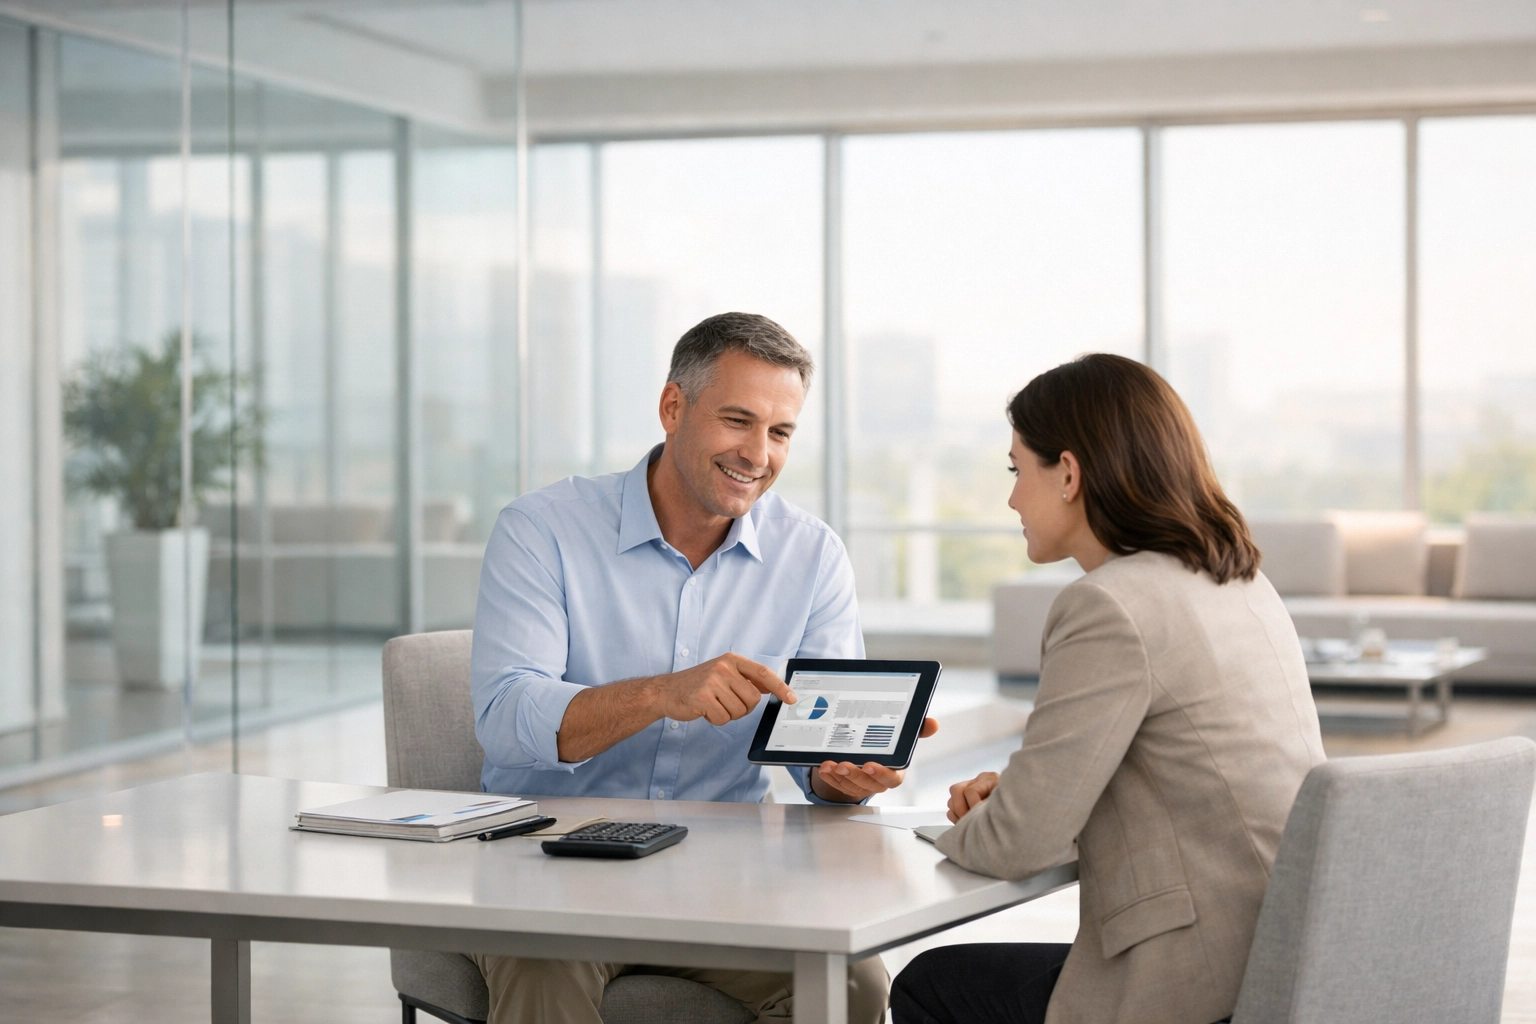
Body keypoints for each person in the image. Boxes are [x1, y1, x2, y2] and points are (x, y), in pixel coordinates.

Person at [470, 312, 932, 1024]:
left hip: (727, 873)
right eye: (738, 421)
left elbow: (819, 752)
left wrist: (841, 779)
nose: (757, 453)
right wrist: (661, 694)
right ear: (672, 408)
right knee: (544, 967)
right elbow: (505, 720)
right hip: (549, 864)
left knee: (853, 987)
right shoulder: (543, 530)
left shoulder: (811, 555)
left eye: (780, 433)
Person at [890, 354, 1326, 1024]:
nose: (1011, 498)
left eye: (1017, 470)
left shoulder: (1109, 605)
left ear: (1067, 473)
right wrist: (1026, 797)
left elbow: (1017, 847)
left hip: (1198, 980)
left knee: (928, 983)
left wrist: (976, 823)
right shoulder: (1239, 583)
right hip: (1283, 952)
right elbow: (1184, 770)